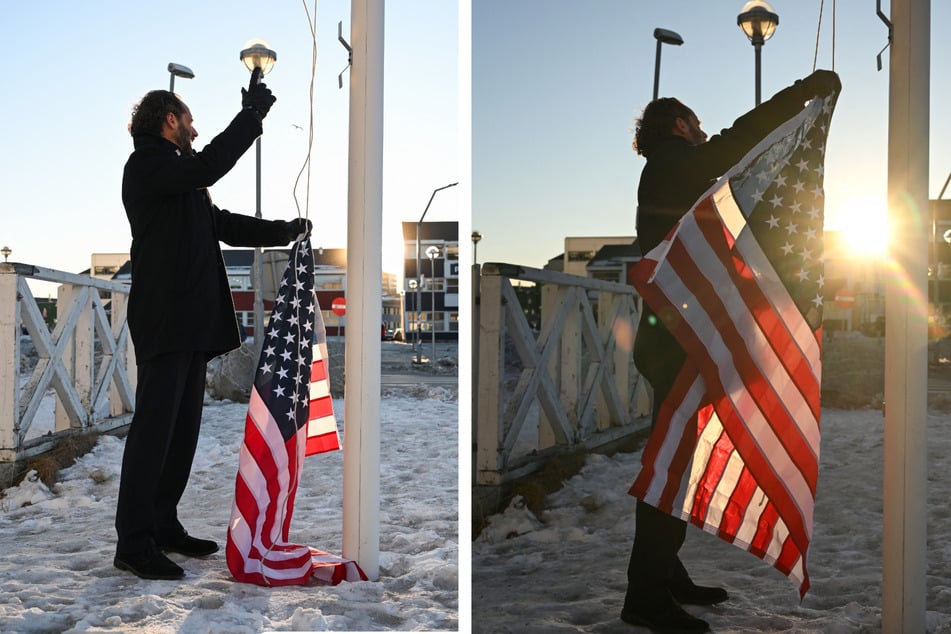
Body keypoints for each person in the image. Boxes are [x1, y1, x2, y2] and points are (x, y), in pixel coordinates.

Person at [623, 69, 841, 633]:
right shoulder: (674, 163)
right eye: (697, 123)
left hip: (676, 336)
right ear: (679, 124)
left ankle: (664, 575)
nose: (704, 132)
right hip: (680, 342)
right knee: (671, 465)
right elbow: (740, 140)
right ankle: (645, 597)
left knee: (678, 461)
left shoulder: (665, 170)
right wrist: (802, 93)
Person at [115, 70, 311, 580]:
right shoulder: (147, 167)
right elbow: (208, 167)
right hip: (165, 322)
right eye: (191, 123)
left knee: (181, 434)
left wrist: (284, 231)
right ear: (170, 121)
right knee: (153, 434)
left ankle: (162, 524)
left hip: (190, 324)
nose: (195, 132)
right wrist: (249, 118)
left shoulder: (180, 178)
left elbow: (222, 224)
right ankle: (133, 542)